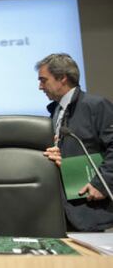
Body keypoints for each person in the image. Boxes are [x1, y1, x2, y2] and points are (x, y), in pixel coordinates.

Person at [37, 53, 113, 231]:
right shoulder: (56, 110)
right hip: (65, 212)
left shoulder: (96, 105)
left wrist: (102, 184)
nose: (40, 87)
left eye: (43, 80)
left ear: (62, 78)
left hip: (93, 210)